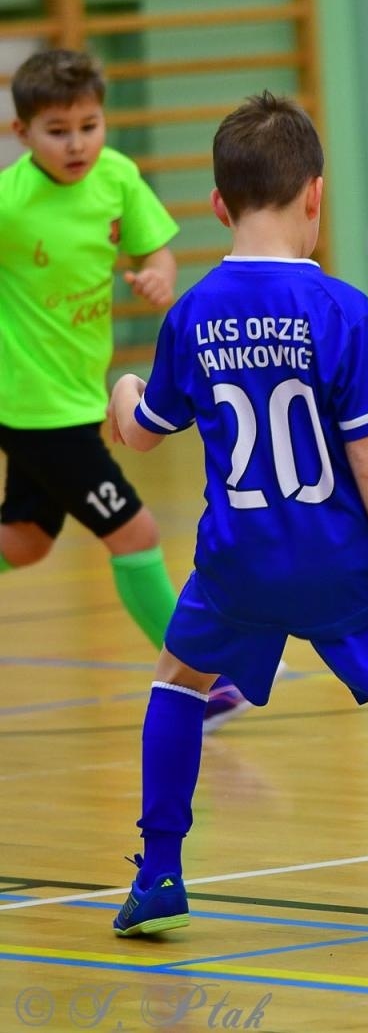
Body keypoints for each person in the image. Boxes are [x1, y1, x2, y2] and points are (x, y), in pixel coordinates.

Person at [106, 92, 368, 945]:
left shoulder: (193, 313)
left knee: (177, 681)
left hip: (237, 563)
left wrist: (123, 391)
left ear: (218, 205)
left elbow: (142, 434)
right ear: (316, 196)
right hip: (339, 563)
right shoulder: (343, 310)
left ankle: (158, 875)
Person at [0, 49, 251, 731]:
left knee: (26, 540)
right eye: (57, 130)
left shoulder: (116, 178)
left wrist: (159, 275)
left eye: (89, 125)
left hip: (79, 397)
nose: (76, 143)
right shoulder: (10, 203)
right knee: (135, 532)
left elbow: (153, 249)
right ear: (21, 133)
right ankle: (202, 679)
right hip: (34, 407)